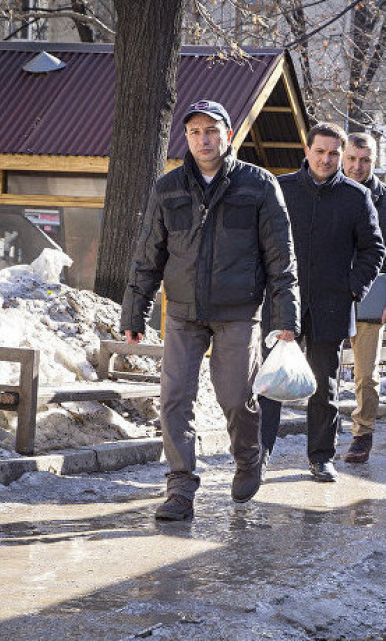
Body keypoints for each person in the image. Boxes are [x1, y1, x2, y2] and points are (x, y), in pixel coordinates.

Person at [120, 99, 300, 521]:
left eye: (212, 130)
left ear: (228, 135)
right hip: (182, 312)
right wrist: (134, 313)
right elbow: (149, 254)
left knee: (236, 397)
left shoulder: (258, 185)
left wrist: (286, 317)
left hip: (239, 311)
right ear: (186, 137)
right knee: (174, 399)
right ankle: (180, 488)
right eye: (196, 131)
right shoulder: (168, 187)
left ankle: (249, 456)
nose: (204, 138)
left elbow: (281, 258)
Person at [259, 122, 385, 482]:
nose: (327, 159)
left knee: (324, 385)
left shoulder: (355, 196)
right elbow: (260, 241)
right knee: (269, 380)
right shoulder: (280, 189)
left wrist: (352, 288)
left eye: (333, 153)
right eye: (321, 151)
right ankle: (259, 454)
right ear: (307, 150)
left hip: (331, 304)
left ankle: (320, 457)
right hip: (282, 301)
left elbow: (372, 249)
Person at [340, 132, 386, 463]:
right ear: (343, 158)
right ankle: (322, 432)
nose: (358, 166)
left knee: (366, 375)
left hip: (370, 299)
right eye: (352, 159)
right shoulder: (327, 192)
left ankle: (362, 434)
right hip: (328, 295)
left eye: (365, 160)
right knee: (320, 370)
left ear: (375, 160)